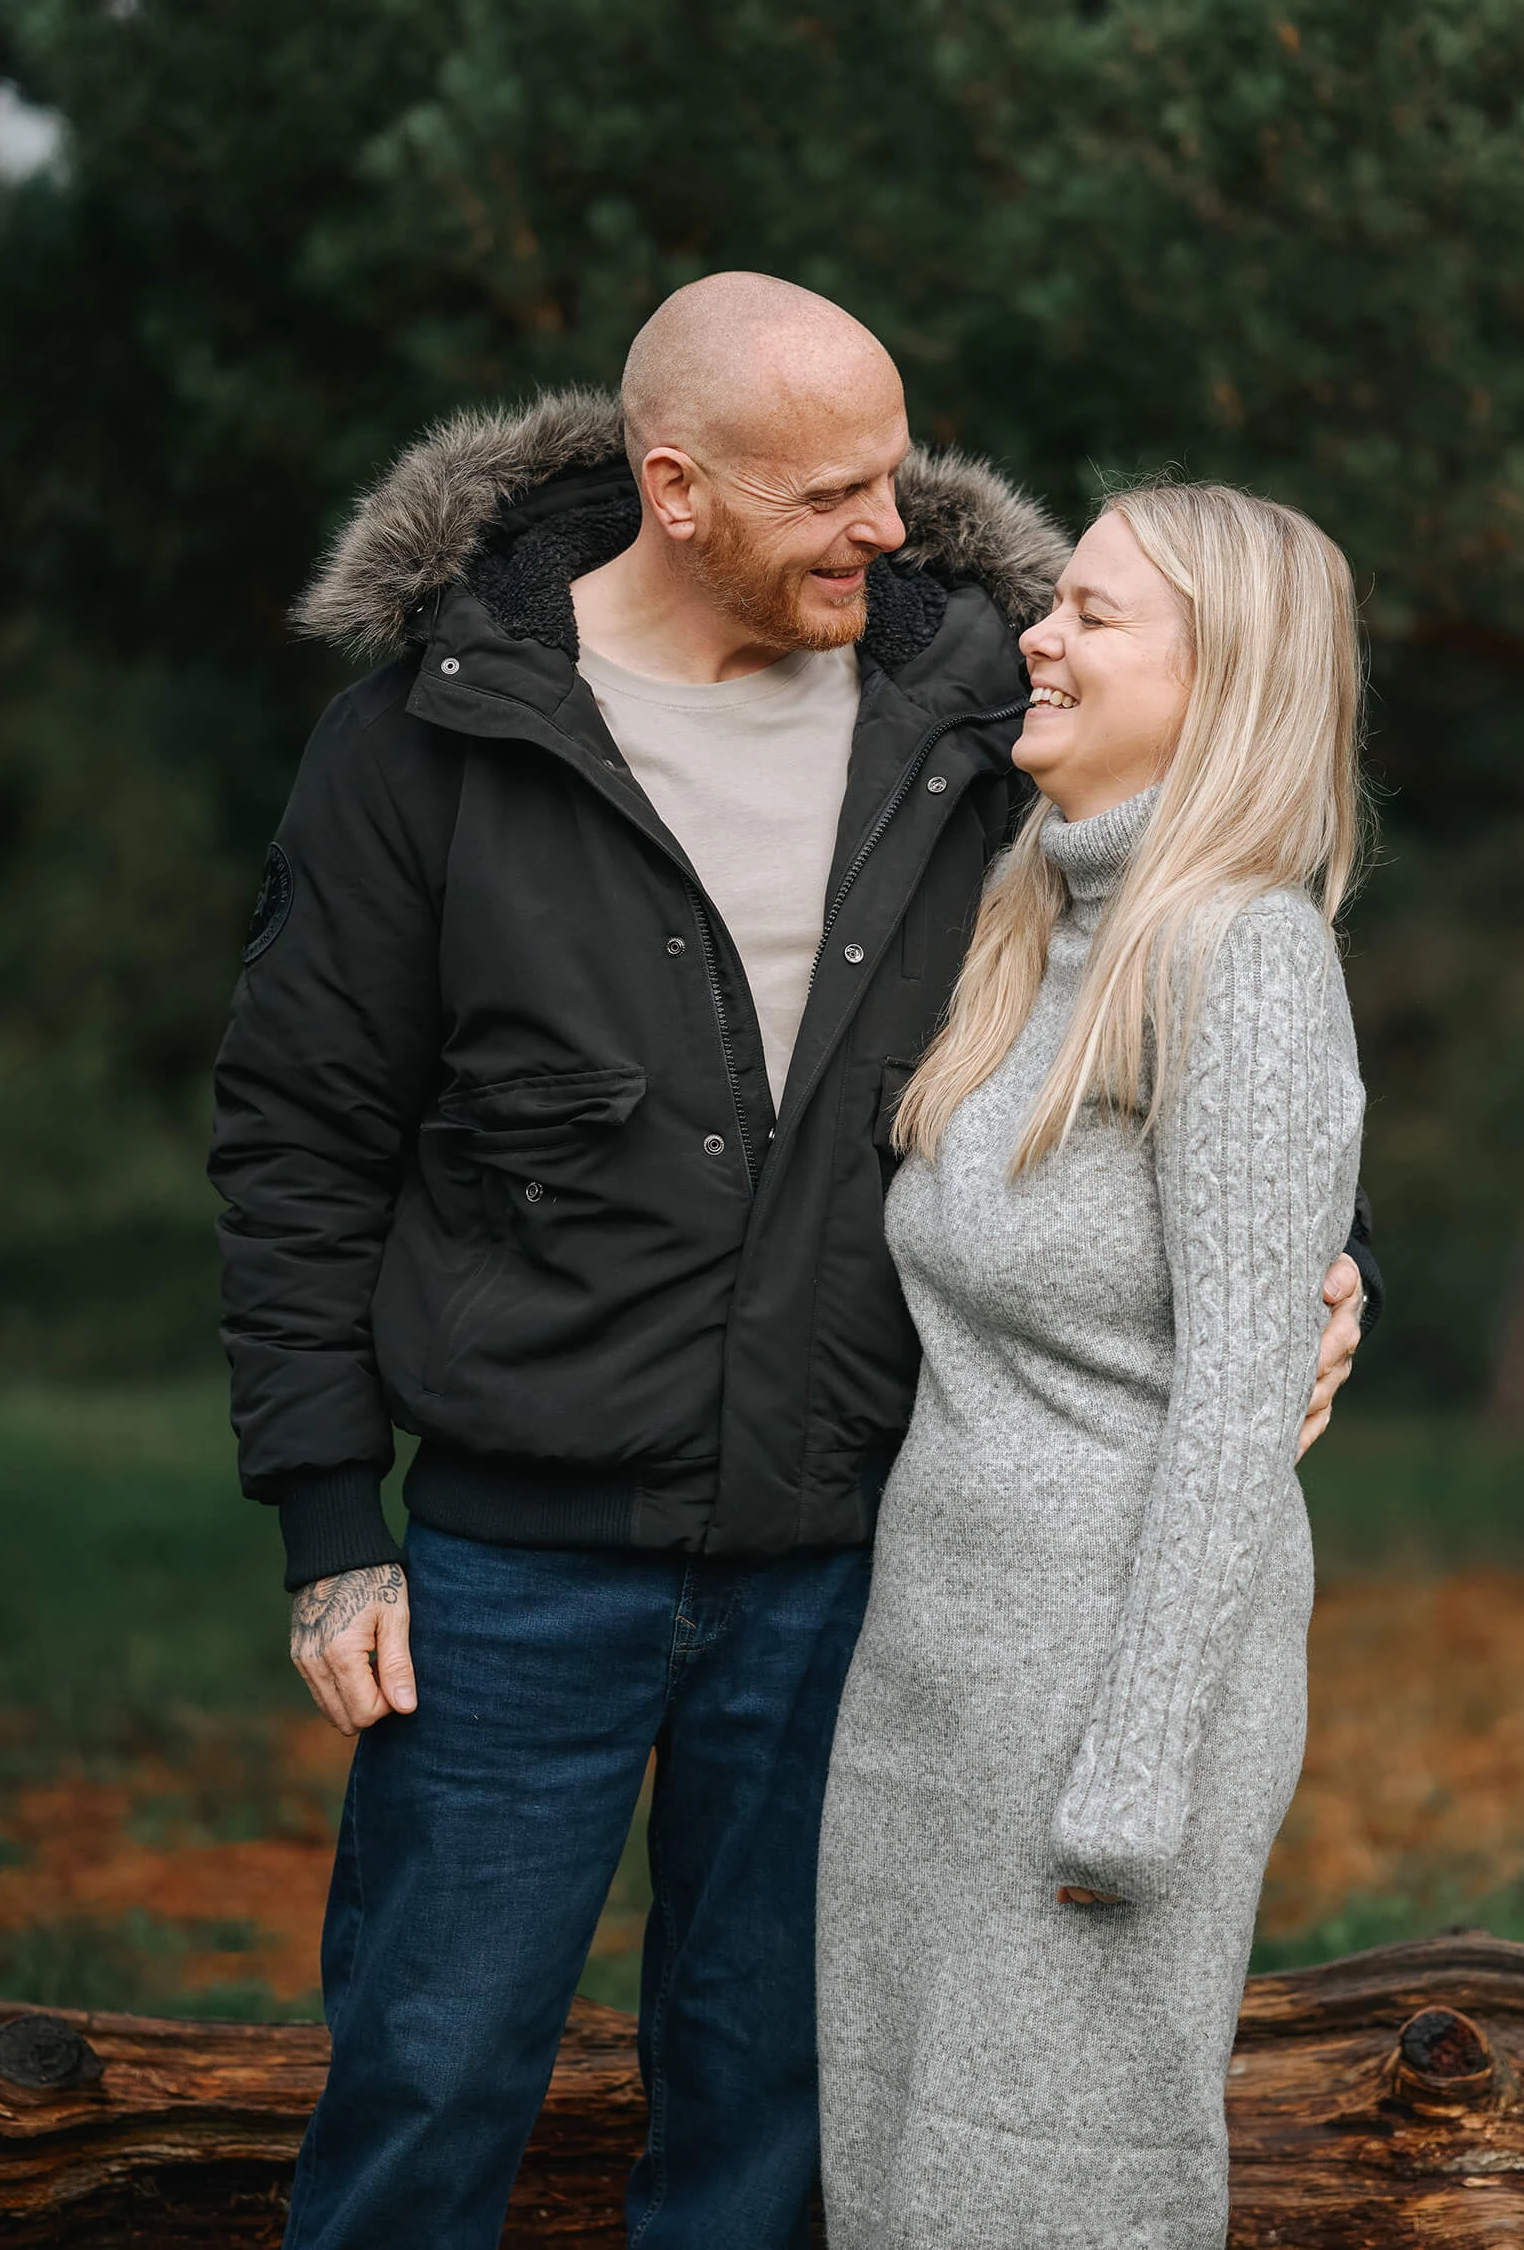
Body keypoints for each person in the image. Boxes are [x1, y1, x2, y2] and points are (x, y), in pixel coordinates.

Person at [209, 278, 1376, 2250]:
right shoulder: (429, 736)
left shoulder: (974, 713)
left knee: (765, 2110)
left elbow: (1198, 948)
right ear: (674, 488)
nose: (895, 531)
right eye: (834, 488)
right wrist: (333, 1512)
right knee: (427, 2068)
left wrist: (1320, 1253)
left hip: (851, 1562)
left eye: (898, 476)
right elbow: (298, 1133)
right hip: (513, 1557)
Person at [816, 482, 1368, 2250]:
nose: (1038, 638)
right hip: (936, 1691)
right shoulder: (1026, 922)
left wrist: (1133, 1770)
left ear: (1224, 685)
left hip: (1103, 1709)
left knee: (1053, 2196)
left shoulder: (1244, 955)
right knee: (906, 2181)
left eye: (1097, 616)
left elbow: (1230, 1421)